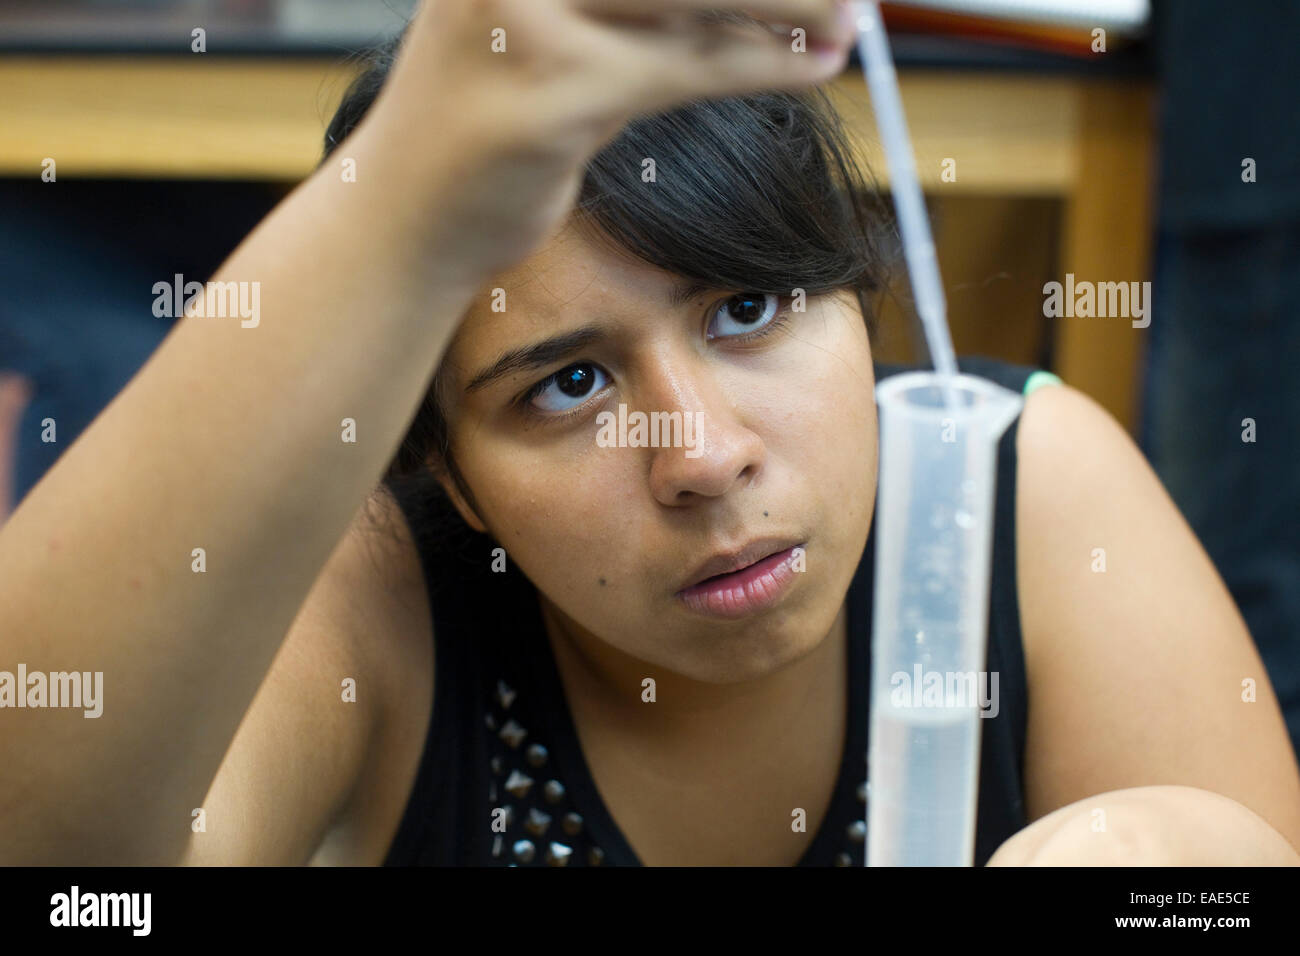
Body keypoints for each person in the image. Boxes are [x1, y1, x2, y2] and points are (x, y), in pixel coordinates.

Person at [0, 0, 1296, 867]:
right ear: (451, 472)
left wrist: (1185, 853)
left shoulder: (1019, 493)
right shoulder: (379, 604)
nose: (704, 455)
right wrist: (404, 189)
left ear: (859, 301)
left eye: (746, 309)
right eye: (564, 387)